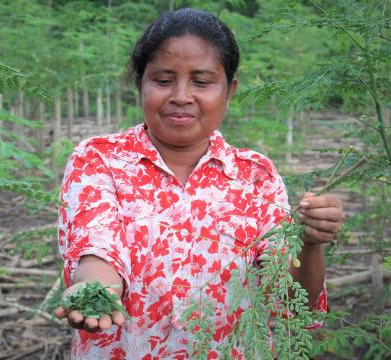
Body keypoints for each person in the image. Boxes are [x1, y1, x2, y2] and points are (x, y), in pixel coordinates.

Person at [55, 8, 344, 359]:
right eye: (162, 80)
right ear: (140, 84)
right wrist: (95, 291)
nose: (180, 95)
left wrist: (310, 244)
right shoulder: (100, 158)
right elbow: (96, 247)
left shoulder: (255, 175)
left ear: (230, 90)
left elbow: (293, 301)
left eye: (201, 82)